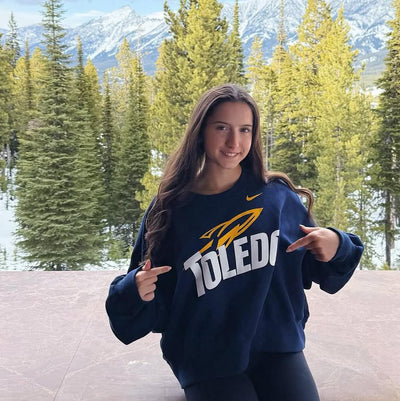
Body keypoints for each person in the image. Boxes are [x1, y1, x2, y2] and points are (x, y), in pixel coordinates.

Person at [105, 83, 364, 401]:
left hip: (276, 345)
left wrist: (337, 244)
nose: (234, 142)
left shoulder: (276, 198)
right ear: (200, 131)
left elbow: (319, 268)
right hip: (205, 355)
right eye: (221, 128)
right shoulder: (170, 207)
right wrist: (135, 289)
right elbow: (146, 297)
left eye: (245, 130)